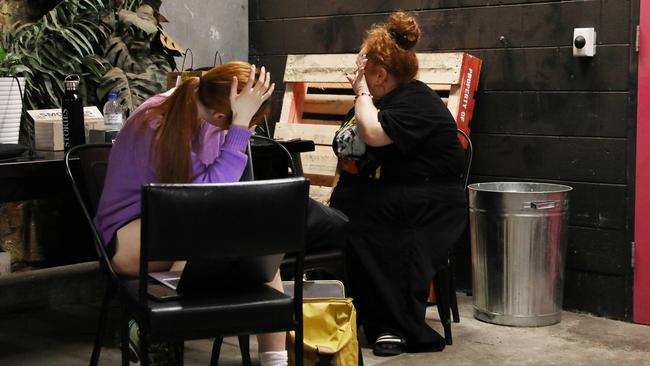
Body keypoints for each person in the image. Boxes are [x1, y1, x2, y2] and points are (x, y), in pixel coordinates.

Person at [94, 62, 289, 366]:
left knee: (256, 242)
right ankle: (150, 326)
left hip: (179, 227)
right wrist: (237, 132)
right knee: (213, 235)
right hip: (127, 238)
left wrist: (237, 128)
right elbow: (202, 201)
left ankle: (274, 361)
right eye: (245, 122)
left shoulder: (208, 114)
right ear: (222, 115)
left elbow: (206, 204)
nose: (245, 131)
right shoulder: (158, 121)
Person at [330, 11, 468, 356]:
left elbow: (373, 135)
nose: (359, 76)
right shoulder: (384, 100)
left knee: (367, 222)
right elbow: (350, 145)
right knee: (347, 210)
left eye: (364, 71)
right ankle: (368, 314)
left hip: (432, 201)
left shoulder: (416, 100)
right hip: (400, 191)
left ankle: (391, 325)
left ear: (379, 73)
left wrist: (361, 93)